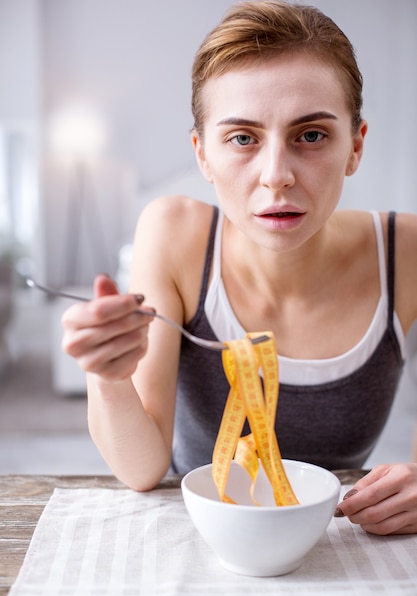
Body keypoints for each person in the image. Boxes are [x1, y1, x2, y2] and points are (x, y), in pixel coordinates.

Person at [61, 1, 417, 535]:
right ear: (203, 155)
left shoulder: (406, 251)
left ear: (355, 146)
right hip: (198, 531)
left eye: (312, 135)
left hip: (344, 537)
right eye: (243, 138)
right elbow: (140, 469)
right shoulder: (174, 234)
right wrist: (108, 378)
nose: (276, 176)